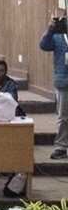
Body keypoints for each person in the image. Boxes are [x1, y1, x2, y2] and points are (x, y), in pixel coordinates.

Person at [41, 14, 68, 159]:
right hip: (63, 81)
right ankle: (61, 146)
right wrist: (50, 28)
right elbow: (44, 45)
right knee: (63, 116)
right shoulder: (58, 35)